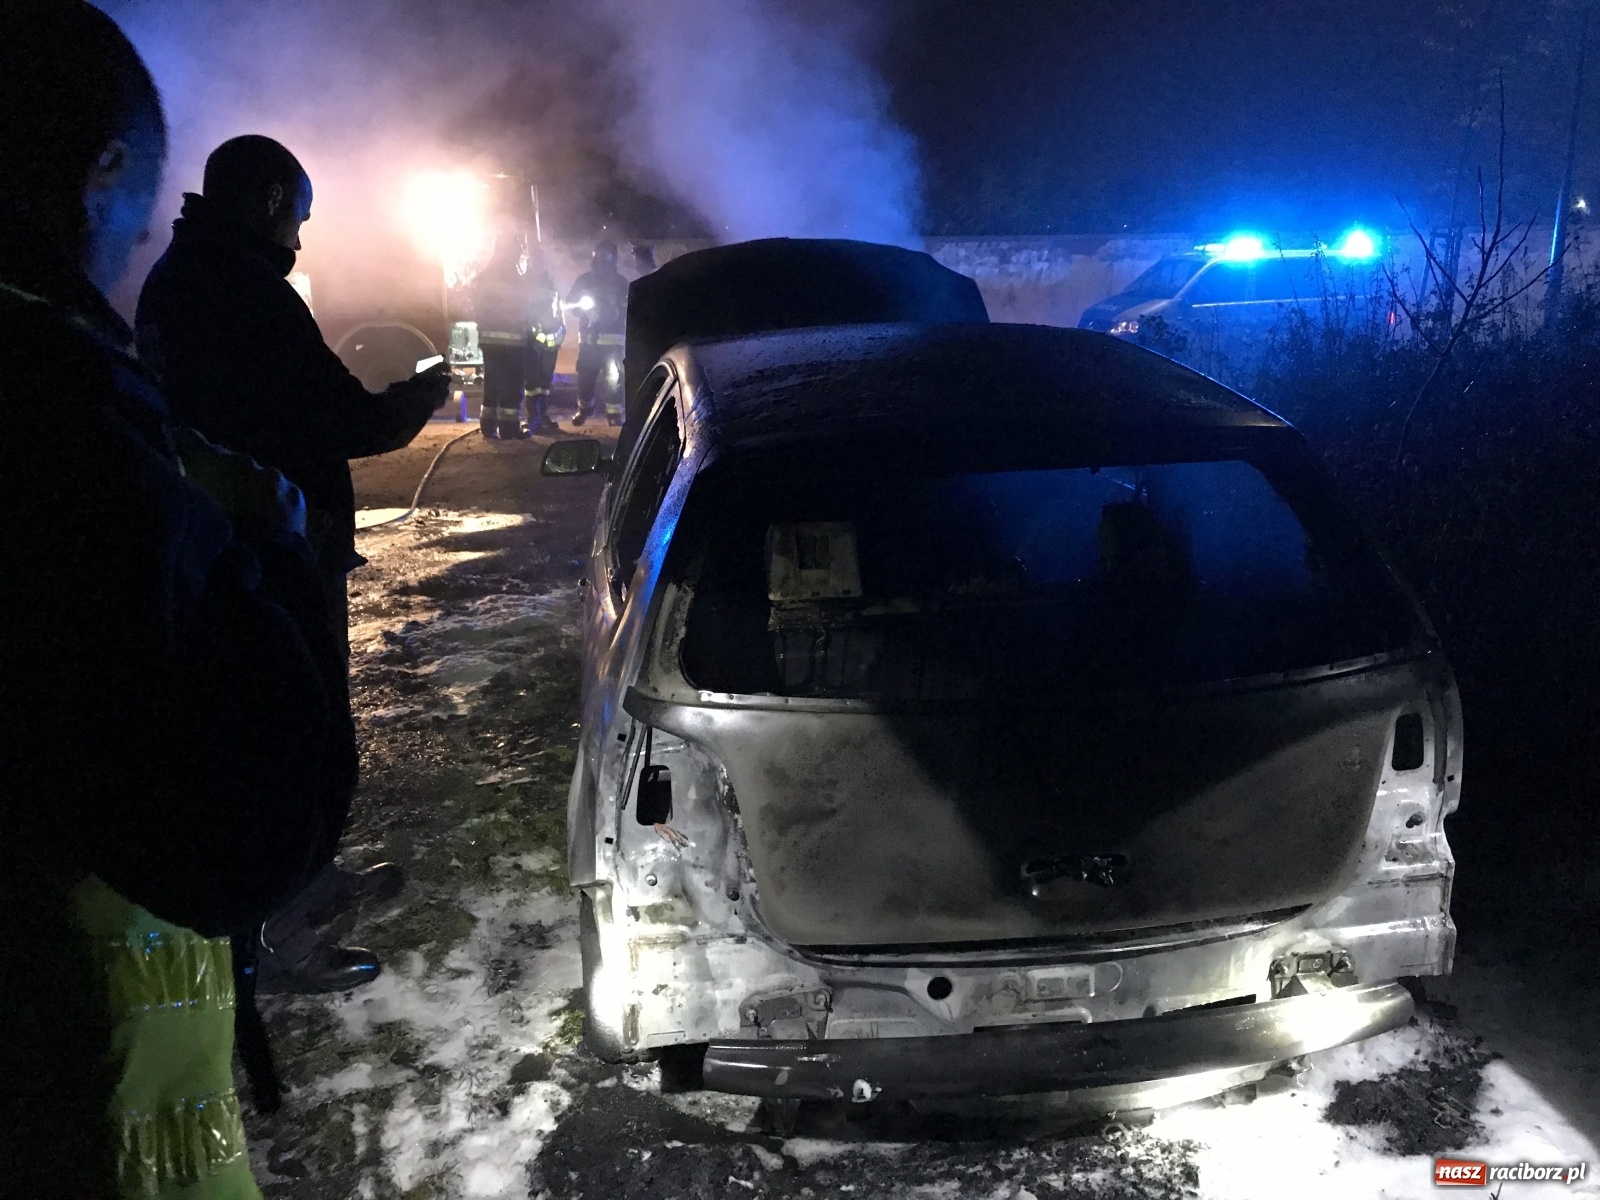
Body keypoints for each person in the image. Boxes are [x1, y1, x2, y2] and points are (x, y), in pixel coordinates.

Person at [0, 3, 354, 1195]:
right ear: (99, 173)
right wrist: (267, 557)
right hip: (83, 1071)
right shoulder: (58, 411)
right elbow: (228, 823)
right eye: (134, 218)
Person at [137, 135, 449, 992]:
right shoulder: (244, 291)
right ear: (271, 198)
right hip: (271, 551)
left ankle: (308, 884)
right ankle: (282, 937)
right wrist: (421, 396)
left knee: (284, 725)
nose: (302, 239)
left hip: (230, 545)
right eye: (299, 216)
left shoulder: (178, 280)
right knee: (292, 733)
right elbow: (344, 421)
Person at [470, 229, 561, 439]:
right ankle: (509, 430)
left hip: (488, 342)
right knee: (511, 386)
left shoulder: (484, 276)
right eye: (518, 251)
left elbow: (477, 306)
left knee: (491, 383)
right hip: (513, 343)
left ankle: (488, 427)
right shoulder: (516, 279)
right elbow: (526, 306)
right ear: (512, 251)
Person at [568, 239, 628, 425]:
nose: (602, 257)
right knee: (585, 377)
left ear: (613, 257)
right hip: (589, 340)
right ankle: (584, 410)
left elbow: (629, 306)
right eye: (599, 253)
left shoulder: (621, 282)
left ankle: (614, 414)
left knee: (613, 379)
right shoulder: (584, 280)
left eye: (606, 253)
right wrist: (583, 309)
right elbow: (572, 304)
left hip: (612, 341)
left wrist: (616, 307)